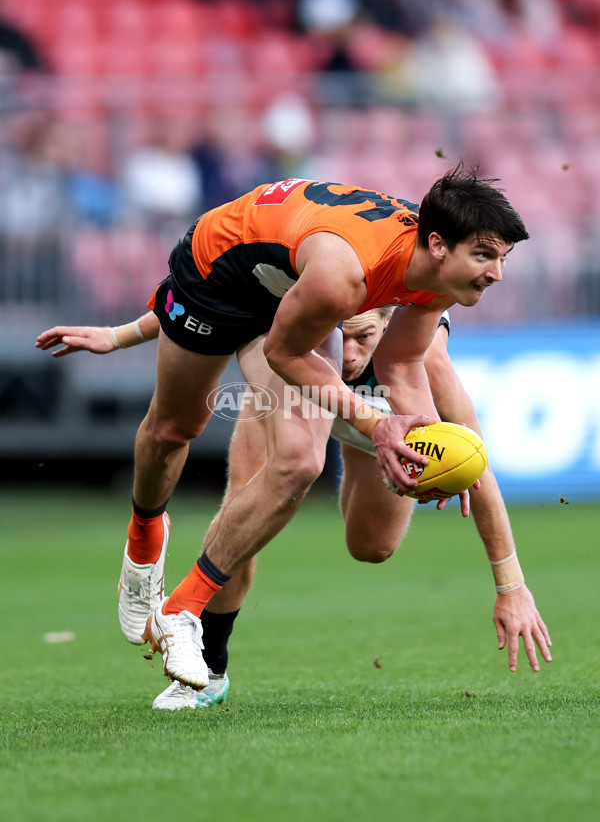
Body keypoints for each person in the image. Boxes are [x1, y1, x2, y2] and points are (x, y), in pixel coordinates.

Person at [38, 166, 534, 692]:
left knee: (372, 544)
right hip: (221, 281)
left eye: (502, 258)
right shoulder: (343, 277)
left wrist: (506, 577)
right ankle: (154, 561)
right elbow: (283, 350)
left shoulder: (436, 286)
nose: (496, 274)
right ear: (437, 246)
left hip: (296, 295)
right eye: (485, 256)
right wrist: (120, 335)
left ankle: (182, 610)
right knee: (188, 434)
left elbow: (415, 383)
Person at [37, 311, 551, 710]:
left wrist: (512, 588)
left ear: (392, 322)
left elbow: (479, 473)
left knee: (372, 547)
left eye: (364, 338)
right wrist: (120, 335)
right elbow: (213, 294)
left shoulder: (426, 363)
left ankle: (359, 450)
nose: (350, 354)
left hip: (386, 425)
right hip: (298, 387)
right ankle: (208, 670)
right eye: (342, 334)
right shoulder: (323, 289)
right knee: (245, 514)